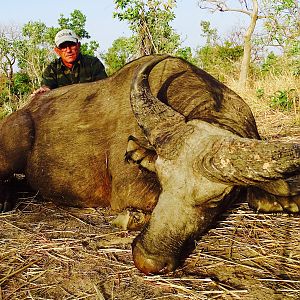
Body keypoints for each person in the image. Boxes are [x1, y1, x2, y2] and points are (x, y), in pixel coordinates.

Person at [32, 29, 107, 96]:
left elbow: (103, 88)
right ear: (57, 51)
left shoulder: (92, 63)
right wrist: (44, 90)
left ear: (78, 45)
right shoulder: (52, 69)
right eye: (63, 47)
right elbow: (47, 87)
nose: (68, 50)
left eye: (71, 45)